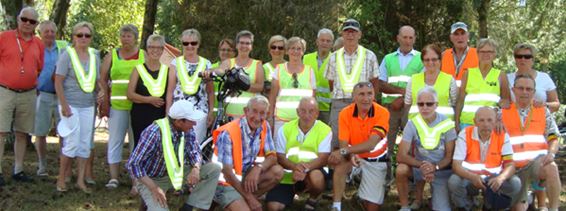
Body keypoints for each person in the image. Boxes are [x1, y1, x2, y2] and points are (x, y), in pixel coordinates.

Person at [126, 100, 221, 211]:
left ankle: (189, 207)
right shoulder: (154, 132)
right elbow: (133, 164)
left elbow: (195, 152)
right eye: (191, 121)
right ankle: (149, 201)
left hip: (176, 173)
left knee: (214, 169)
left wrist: (196, 168)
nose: (194, 124)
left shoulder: (187, 130)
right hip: (151, 179)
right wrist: (154, 188)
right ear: (179, 122)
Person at [507, 43, 560, 210]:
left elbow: (553, 137)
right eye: (520, 89)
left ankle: (552, 208)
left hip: (536, 162)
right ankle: (523, 200)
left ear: (534, 91)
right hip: (512, 166)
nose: (524, 92)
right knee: (520, 208)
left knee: (551, 167)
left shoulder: (542, 111)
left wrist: (551, 153)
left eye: (529, 89)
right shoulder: (502, 114)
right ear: (513, 90)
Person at [212, 95, 284, 211]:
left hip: (244, 176)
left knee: (277, 171)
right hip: (224, 183)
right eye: (254, 111)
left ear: (267, 114)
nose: (257, 117)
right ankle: (241, 201)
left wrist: (258, 168)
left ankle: (240, 201)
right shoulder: (229, 132)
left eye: (262, 113)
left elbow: (272, 157)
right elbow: (227, 173)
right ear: (246, 111)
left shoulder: (264, 126)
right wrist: (250, 198)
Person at [54, 21, 100, 193]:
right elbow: (58, 81)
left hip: (88, 106)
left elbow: (95, 82)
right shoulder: (67, 55)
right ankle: (61, 179)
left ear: (91, 38)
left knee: (84, 144)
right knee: (71, 142)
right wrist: (64, 105)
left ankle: (80, 180)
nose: (83, 38)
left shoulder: (94, 57)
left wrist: (101, 92)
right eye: (79, 35)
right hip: (70, 105)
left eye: (87, 35)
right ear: (73, 37)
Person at [328, 82, 389, 211]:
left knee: (372, 208)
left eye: (369, 94)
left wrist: (344, 151)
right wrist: (349, 154)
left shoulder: (382, 112)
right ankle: (336, 205)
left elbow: (371, 144)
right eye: (361, 94)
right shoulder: (345, 113)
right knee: (340, 162)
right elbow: (343, 142)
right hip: (354, 157)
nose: (366, 98)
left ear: (374, 96)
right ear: (354, 97)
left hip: (376, 161)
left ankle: (360, 197)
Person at [0, 7, 44, 185]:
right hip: (5, 91)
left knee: (22, 133)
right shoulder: (4, 37)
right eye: (24, 19)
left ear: (36, 25)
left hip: (28, 93)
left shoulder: (38, 43)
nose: (27, 24)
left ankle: (18, 170)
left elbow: (39, 67)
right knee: (0, 132)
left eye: (32, 22)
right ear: (18, 19)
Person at [99, 24, 145, 189]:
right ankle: (113, 177)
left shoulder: (143, 55)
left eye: (129, 36)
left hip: (138, 105)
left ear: (135, 38)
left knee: (136, 142)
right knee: (115, 140)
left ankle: (136, 179)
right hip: (117, 105)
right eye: (123, 36)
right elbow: (102, 78)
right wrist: (104, 96)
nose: (125, 39)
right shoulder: (112, 55)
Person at [266, 97, 331, 211]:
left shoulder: (325, 130)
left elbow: (323, 158)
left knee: (317, 178)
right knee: (273, 207)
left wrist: (304, 169)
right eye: (303, 111)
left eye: (311, 111)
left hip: (312, 171)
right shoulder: (285, 129)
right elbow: (280, 156)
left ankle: (313, 199)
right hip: (289, 174)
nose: (307, 115)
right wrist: (295, 167)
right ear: (297, 112)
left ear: (317, 113)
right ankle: (288, 197)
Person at [449, 107, 521, 210]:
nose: (486, 124)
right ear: (475, 122)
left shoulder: (502, 135)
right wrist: (472, 177)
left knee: (515, 183)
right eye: (481, 120)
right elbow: (456, 165)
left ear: (495, 121)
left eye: (489, 120)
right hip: (470, 179)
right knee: (454, 181)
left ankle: (492, 204)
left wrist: (500, 178)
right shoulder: (465, 134)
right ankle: (465, 206)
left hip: (493, 179)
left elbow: (510, 165)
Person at [396, 87, 456, 211]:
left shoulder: (447, 123)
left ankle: (431, 199)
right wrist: (423, 166)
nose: (424, 107)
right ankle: (405, 206)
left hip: (441, 170)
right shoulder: (412, 123)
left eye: (429, 104)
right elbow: (401, 156)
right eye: (420, 104)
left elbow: (449, 157)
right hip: (419, 168)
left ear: (436, 105)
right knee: (401, 169)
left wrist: (435, 167)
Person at [325, 19, 379, 150]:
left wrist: (372, 101)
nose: (350, 35)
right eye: (347, 32)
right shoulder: (333, 57)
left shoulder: (369, 55)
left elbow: (375, 82)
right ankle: (336, 170)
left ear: (359, 34)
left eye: (353, 32)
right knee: (337, 141)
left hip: (363, 104)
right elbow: (330, 82)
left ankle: (361, 169)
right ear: (342, 35)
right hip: (339, 104)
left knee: (361, 139)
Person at [378, 25, 424, 177]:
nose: (408, 41)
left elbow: (422, 85)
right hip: (389, 109)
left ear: (415, 39)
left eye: (411, 37)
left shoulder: (421, 59)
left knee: (412, 145)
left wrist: (403, 99)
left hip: (411, 109)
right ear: (398, 38)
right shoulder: (388, 59)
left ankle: (412, 178)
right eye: (404, 37)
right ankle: (386, 178)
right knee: (386, 144)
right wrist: (402, 94)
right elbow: (381, 83)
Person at [166, 28, 214, 148]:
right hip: (178, 113)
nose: (189, 46)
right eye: (186, 43)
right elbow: (170, 90)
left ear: (198, 44)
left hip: (199, 113)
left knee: (196, 147)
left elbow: (210, 91)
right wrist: (168, 112)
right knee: (176, 146)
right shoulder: (175, 63)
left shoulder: (206, 63)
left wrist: (211, 111)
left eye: (193, 43)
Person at [33, 20, 68, 177]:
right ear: (40, 33)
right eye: (46, 31)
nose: (49, 34)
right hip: (42, 94)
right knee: (40, 132)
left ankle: (64, 166)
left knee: (64, 132)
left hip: (62, 96)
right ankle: (42, 165)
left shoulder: (64, 47)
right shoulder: (35, 47)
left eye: (52, 31)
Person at [455, 38, 510, 131]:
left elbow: (506, 101)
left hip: (489, 124)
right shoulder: (468, 73)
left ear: (494, 54)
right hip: (467, 122)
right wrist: (456, 123)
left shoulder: (501, 75)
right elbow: (460, 101)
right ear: (477, 53)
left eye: (490, 51)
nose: (486, 54)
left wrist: (499, 118)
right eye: (483, 51)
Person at [268, 36, 316, 136]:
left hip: (303, 121)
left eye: (299, 49)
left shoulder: (310, 71)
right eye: (293, 48)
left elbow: (313, 99)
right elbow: (272, 97)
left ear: (303, 52)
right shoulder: (279, 69)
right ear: (287, 51)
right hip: (281, 120)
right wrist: (270, 118)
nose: (296, 51)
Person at [217, 30, 265, 119]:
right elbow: (220, 70)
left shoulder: (257, 64)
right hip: (230, 114)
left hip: (250, 116)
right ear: (237, 45)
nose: (244, 46)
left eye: (247, 43)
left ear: (251, 47)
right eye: (241, 43)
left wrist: (243, 85)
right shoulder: (229, 62)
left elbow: (260, 86)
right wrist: (209, 72)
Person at [405, 44, 457, 119]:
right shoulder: (413, 80)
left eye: (434, 59)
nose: (430, 63)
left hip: (443, 126)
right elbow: (407, 105)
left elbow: (455, 104)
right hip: (417, 127)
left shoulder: (450, 80)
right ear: (422, 61)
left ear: (440, 60)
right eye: (427, 60)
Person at [303, 28, 334, 124]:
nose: (325, 43)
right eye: (322, 40)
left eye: (328, 41)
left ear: (332, 44)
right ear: (317, 42)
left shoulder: (336, 59)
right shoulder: (305, 58)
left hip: (327, 108)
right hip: (308, 107)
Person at [440, 22, 478, 87]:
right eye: (456, 34)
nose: (460, 37)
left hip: (470, 95)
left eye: (463, 33)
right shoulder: (443, 55)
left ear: (468, 36)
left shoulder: (478, 54)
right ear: (451, 38)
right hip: (448, 94)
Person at [211, 39, 236, 114]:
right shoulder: (211, 68)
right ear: (219, 52)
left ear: (234, 53)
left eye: (229, 50)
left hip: (232, 114)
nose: (226, 52)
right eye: (223, 50)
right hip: (214, 114)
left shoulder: (237, 70)